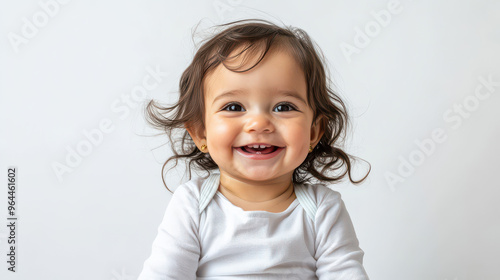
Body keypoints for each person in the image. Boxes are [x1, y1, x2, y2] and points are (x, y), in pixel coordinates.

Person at [138, 18, 371, 279]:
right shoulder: (193, 205)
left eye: (284, 107)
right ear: (200, 132)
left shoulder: (321, 210)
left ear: (313, 132)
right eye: (234, 107)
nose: (259, 123)